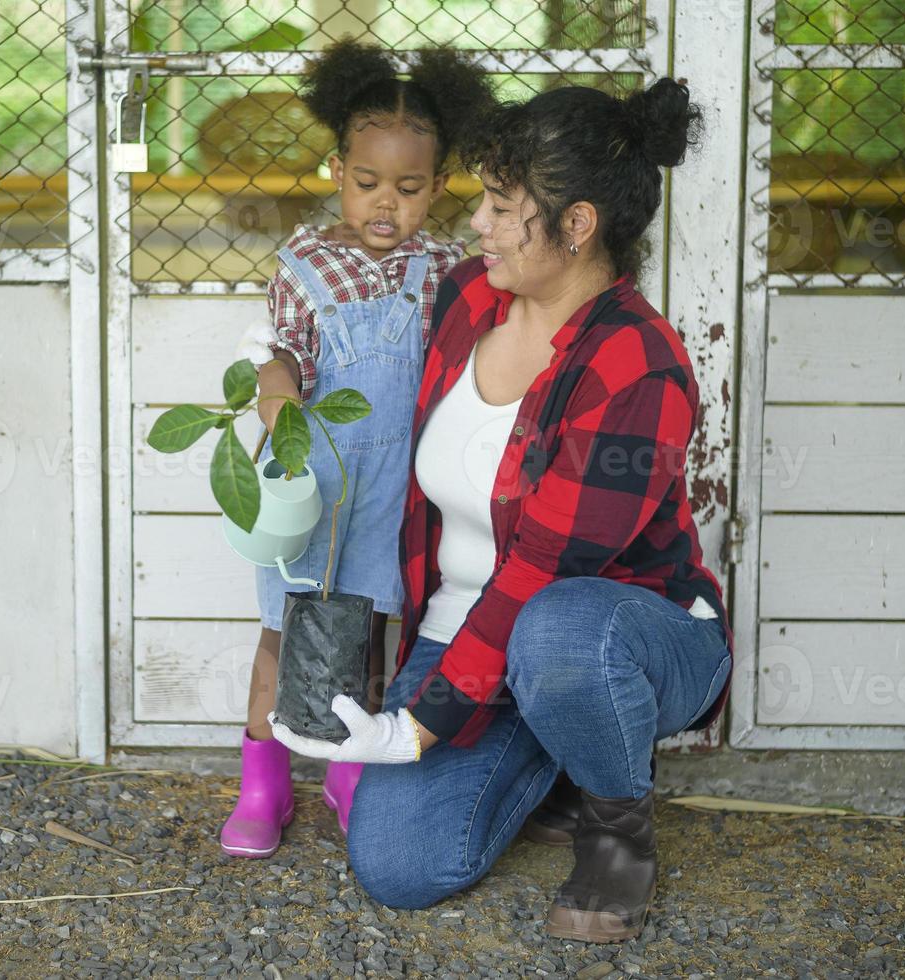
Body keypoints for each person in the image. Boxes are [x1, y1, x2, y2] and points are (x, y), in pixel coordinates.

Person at [269, 77, 734, 944]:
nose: (475, 221)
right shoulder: (468, 300)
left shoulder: (636, 363)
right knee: (399, 869)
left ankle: (615, 833)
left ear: (576, 224)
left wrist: (419, 723)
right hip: (471, 637)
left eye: (498, 203)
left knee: (556, 629)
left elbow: (544, 569)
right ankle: (554, 756)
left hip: (618, 636)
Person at [219, 38, 496, 859]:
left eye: (408, 188)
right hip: (319, 480)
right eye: (367, 183)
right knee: (285, 628)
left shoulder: (448, 266)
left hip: (397, 491)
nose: (386, 204)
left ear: (438, 188)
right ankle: (262, 784)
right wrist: (274, 393)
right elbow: (279, 352)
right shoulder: (305, 263)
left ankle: (347, 771)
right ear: (335, 170)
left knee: (373, 630)